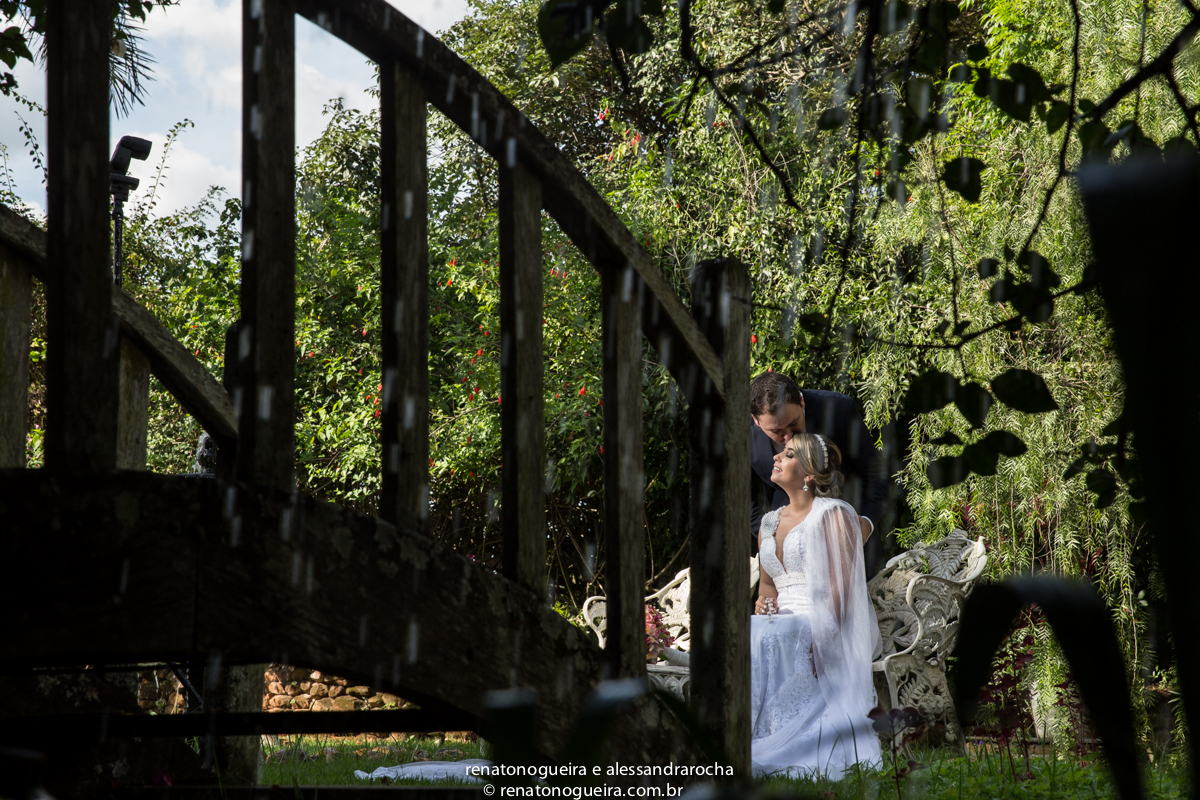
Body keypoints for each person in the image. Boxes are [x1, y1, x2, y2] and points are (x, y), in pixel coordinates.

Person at [750, 432, 881, 778]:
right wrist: (765, 606)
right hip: (781, 618)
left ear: (809, 474)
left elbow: (841, 586)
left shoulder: (834, 514)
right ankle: (754, 728)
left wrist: (824, 634)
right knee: (752, 629)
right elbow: (767, 586)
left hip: (820, 616)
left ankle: (791, 735)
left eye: (789, 455)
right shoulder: (768, 522)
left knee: (784, 633)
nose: (776, 457)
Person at [750, 372, 888, 563]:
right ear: (756, 421)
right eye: (777, 432)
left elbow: (876, 475)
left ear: (801, 401)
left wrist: (864, 524)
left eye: (793, 424)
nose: (788, 438)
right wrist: (771, 541)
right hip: (785, 555)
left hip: (850, 543)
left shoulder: (839, 410)